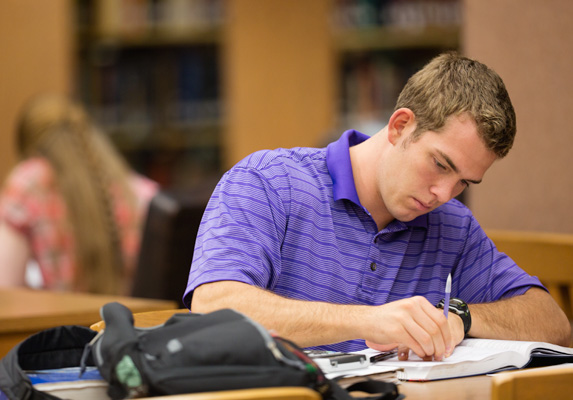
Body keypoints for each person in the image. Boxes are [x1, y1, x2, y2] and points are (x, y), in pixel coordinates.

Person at [183, 52, 571, 360]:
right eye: (440, 164)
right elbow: (214, 306)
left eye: (464, 183)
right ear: (400, 126)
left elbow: (552, 323)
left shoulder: (452, 224)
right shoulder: (268, 181)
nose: (443, 194)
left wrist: (461, 318)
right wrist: (371, 321)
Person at [0, 94, 159, 295]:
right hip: (133, 323)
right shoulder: (137, 189)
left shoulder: (29, 183)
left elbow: (6, 287)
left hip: (62, 322)